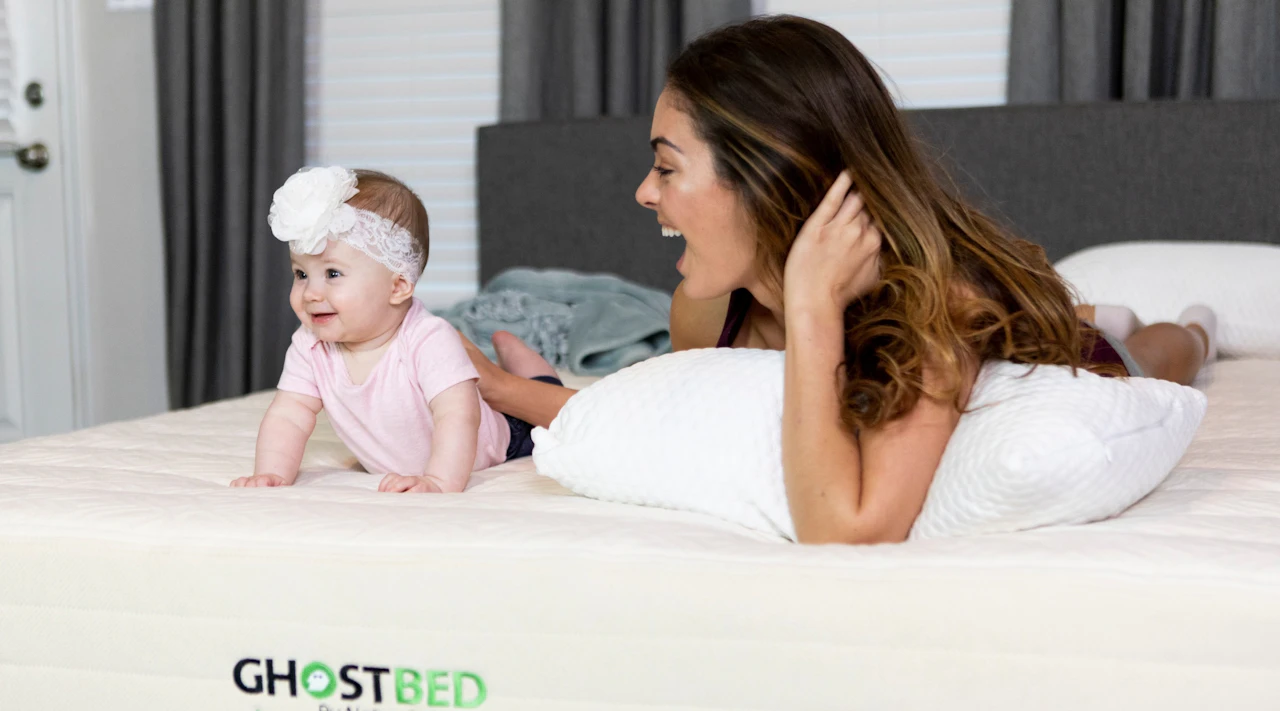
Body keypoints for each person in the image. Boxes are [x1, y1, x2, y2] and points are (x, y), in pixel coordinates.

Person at [461, 16, 1217, 542]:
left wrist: (813, 304)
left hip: (1048, 344)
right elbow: (651, 419)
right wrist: (507, 388)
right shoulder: (705, 310)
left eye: (666, 165)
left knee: (1150, 351)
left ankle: (1191, 325)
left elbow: (848, 529)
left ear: (769, 178)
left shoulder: (934, 311)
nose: (644, 193)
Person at [231, 167, 560, 493]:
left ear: (399, 286)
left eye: (332, 274)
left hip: (506, 439)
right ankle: (512, 354)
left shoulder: (428, 337)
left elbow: (457, 416)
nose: (311, 293)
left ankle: (527, 364)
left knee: (539, 415)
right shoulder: (309, 344)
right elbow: (289, 415)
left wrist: (439, 481)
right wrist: (271, 473)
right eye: (301, 274)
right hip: (397, 465)